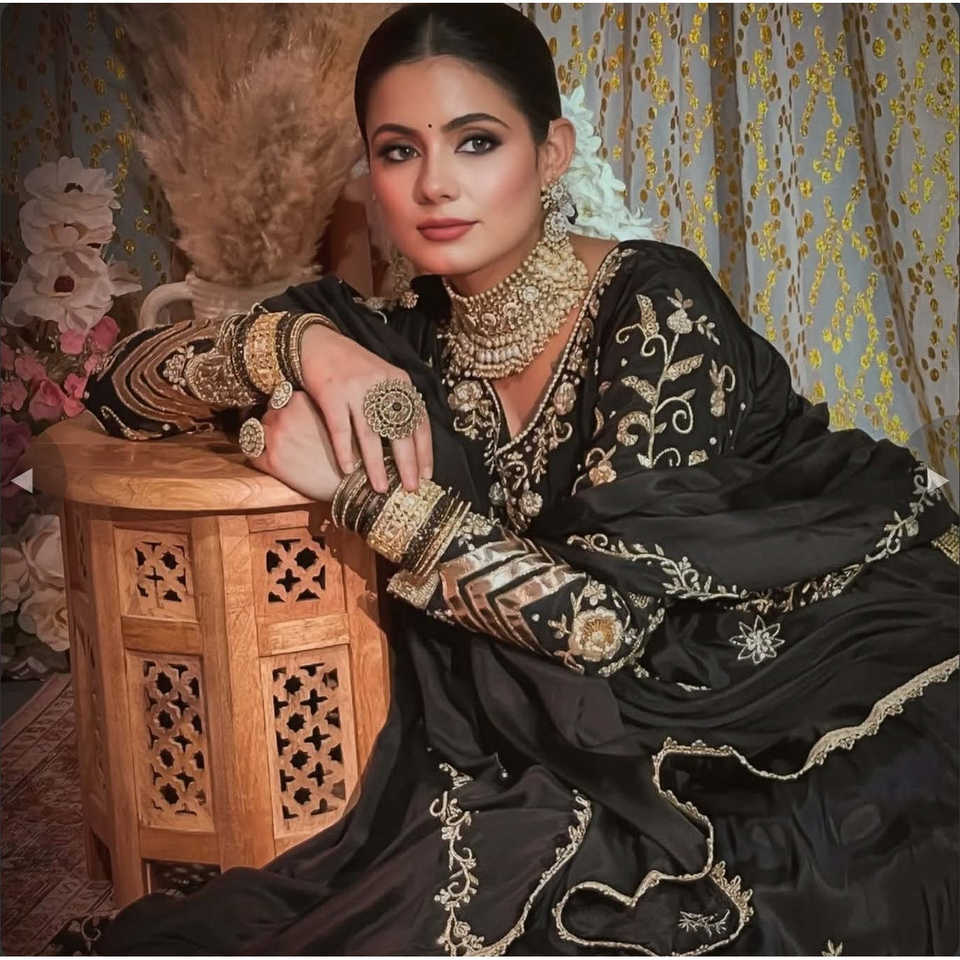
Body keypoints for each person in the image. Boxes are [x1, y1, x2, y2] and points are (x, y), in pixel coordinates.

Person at [86, 4, 958, 955]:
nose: (434, 184)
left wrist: (362, 496)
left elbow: (605, 626)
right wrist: (299, 343)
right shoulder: (398, 337)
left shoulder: (653, 308)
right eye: (397, 151)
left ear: (551, 154)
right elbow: (123, 389)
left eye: (476, 142)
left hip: (780, 666)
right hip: (578, 699)